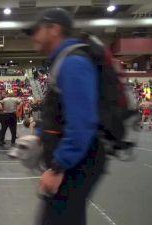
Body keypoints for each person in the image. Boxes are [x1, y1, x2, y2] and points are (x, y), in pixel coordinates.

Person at [25, 8, 106, 225]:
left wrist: (59, 167)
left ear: (54, 30)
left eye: (37, 30)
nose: (34, 36)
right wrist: (39, 136)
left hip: (78, 162)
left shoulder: (73, 63)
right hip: (75, 160)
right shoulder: (62, 62)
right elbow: (59, 111)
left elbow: (81, 122)